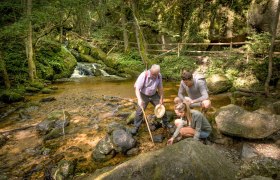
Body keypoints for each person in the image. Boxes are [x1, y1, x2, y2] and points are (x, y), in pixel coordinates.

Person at [131, 64, 170, 135]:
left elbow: (160, 88)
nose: (154, 76)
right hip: (143, 95)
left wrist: (161, 98)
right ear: (150, 71)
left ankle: (166, 123)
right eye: (153, 74)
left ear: (158, 72)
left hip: (154, 94)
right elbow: (137, 89)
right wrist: (139, 99)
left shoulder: (159, 76)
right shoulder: (143, 75)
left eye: (156, 74)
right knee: (140, 111)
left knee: (162, 107)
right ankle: (136, 127)